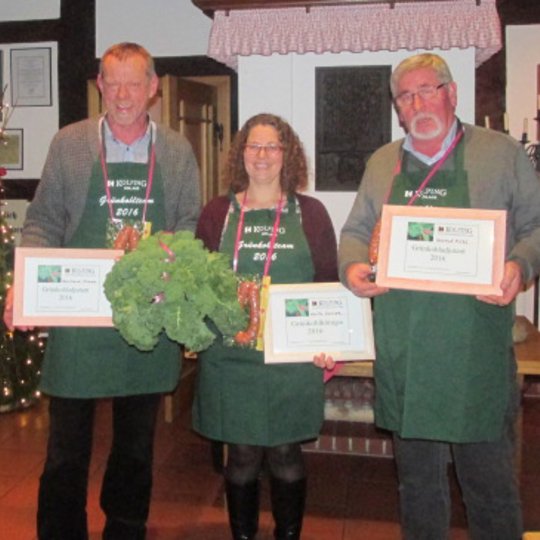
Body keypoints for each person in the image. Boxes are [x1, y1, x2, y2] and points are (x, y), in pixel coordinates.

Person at [335, 53, 540, 539]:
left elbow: (535, 227)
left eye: (428, 89)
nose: (418, 103)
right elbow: (355, 231)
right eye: (406, 96)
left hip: (476, 355)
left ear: (451, 93)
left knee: (489, 489)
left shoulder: (501, 153)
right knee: (419, 489)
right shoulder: (383, 161)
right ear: (397, 108)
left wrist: (520, 265)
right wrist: (353, 266)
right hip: (408, 357)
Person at [3, 42, 200, 539]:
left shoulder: (176, 150)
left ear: (154, 89)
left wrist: (170, 270)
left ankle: (126, 527)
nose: (123, 94)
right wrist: (21, 286)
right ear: (99, 86)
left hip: (146, 319)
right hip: (78, 319)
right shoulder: (70, 143)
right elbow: (44, 221)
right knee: (67, 447)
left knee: (135, 446)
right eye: (112, 82)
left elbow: (188, 225)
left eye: (134, 83)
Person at [193, 113, 337, 540]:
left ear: (286, 155)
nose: (262, 155)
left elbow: (327, 283)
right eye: (253, 146)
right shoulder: (217, 212)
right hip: (230, 358)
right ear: (240, 154)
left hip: (290, 357)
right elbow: (198, 283)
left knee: (286, 453)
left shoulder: (310, 214)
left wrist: (329, 341)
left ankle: (287, 536)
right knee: (239, 456)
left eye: (272, 146)